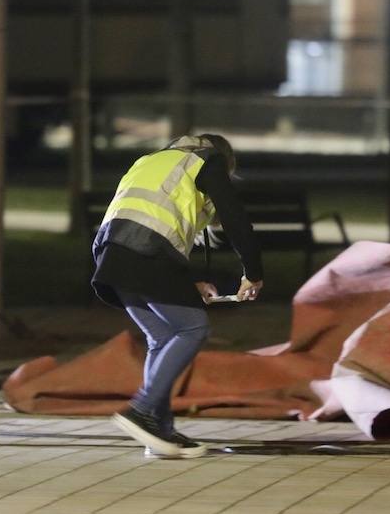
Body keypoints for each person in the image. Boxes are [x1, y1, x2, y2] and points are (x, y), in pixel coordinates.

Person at [92, 134, 263, 458]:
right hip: (145, 254)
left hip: (112, 255)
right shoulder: (206, 161)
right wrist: (253, 272)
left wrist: (190, 282)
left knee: (162, 336)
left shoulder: (152, 160)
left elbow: (151, 220)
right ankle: (141, 411)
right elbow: (235, 216)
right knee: (192, 328)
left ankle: (158, 429)